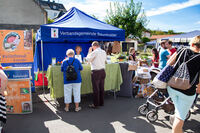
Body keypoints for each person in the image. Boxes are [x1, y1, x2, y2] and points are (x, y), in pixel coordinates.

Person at [167, 35, 200, 133]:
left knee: (179, 110)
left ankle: (177, 124)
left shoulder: (181, 50)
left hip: (172, 87)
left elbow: (169, 63)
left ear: (192, 44)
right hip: (187, 91)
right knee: (180, 117)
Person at [86, 41, 107, 108]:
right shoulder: (103, 52)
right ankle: (101, 102)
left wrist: (89, 51)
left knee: (96, 89)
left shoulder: (95, 52)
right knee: (101, 88)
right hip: (102, 71)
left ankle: (96, 104)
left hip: (96, 71)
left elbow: (87, 59)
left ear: (94, 46)